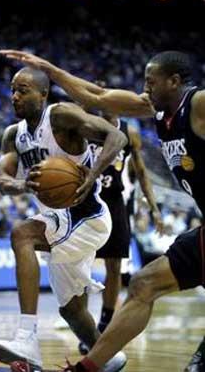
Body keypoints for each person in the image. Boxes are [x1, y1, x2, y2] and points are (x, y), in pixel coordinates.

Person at [0, 50, 205, 372]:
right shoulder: (152, 108)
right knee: (141, 284)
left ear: (175, 81)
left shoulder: (198, 103)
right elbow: (96, 95)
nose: (145, 89)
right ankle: (94, 365)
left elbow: (116, 134)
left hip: (96, 211)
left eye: (151, 82)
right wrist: (48, 67)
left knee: (117, 270)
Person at [0, 66, 128, 372]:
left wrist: (92, 176)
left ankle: (26, 337)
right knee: (72, 311)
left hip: (87, 216)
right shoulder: (13, 135)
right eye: (12, 89)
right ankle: (107, 357)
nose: (15, 95)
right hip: (59, 222)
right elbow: (2, 180)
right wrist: (23, 184)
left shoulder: (61, 116)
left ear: (43, 94)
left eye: (23, 89)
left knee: (21, 234)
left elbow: (116, 136)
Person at [78, 111, 163, 355]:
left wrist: (154, 208)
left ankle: (104, 325)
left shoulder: (129, 131)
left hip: (115, 201)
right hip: (86, 198)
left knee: (114, 266)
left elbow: (142, 173)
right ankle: (83, 326)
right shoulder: (84, 125)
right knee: (80, 266)